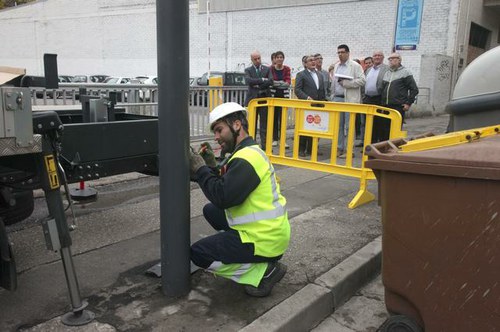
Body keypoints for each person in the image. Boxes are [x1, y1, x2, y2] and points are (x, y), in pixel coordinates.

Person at [189, 102, 290, 297]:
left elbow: (222, 196)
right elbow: (227, 183)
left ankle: (264, 271)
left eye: (219, 130)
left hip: (265, 240)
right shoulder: (246, 152)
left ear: (236, 125)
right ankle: (244, 254)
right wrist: (210, 165)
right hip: (268, 232)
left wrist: (201, 169)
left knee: (199, 253)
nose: (216, 137)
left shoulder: (247, 159)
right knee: (210, 210)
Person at [331, 44, 365, 158]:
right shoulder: (336, 66)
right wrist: (332, 95)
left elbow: (362, 81)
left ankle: (349, 150)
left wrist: (347, 84)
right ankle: (339, 147)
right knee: (338, 125)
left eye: (342, 52)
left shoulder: (355, 66)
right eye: (338, 52)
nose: (340, 54)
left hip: (349, 99)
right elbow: (334, 82)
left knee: (349, 126)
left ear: (348, 53)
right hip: (337, 98)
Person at [294, 54, 327, 157]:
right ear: (305, 63)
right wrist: (306, 98)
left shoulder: (320, 75)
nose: (313, 62)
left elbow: (321, 90)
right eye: (310, 60)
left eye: (314, 60)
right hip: (307, 105)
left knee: (315, 128)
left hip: (318, 105)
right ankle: (301, 149)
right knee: (305, 128)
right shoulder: (301, 75)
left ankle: (311, 149)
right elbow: (297, 90)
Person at [244, 50, 273, 150]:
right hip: (252, 100)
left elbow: (270, 81)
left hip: (264, 99)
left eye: (259, 58)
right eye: (255, 59)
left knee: (264, 124)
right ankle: (252, 146)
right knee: (252, 124)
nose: (258, 60)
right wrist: (262, 80)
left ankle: (265, 146)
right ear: (251, 60)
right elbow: (248, 81)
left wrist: (257, 84)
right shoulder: (248, 70)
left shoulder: (267, 69)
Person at [381, 53, 419, 125]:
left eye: (393, 58)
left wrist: (408, 103)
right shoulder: (387, 73)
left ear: (399, 60)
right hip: (386, 106)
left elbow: (414, 89)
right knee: (385, 129)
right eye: (389, 59)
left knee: (396, 128)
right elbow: (383, 89)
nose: (391, 60)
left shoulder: (406, 72)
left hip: (398, 106)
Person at [364, 50, 390, 143]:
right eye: (375, 55)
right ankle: (370, 143)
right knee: (368, 124)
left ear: (383, 57)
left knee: (380, 123)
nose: (377, 57)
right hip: (368, 99)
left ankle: (380, 145)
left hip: (379, 99)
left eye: (379, 55)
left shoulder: (387, 69)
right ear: (373, 57)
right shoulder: (368, 69)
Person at [270, 51, 291, 148]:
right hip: (274, 97)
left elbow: (287, 83)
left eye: (281, 57)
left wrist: (278, 83)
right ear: (275, 59)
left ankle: (283, 139)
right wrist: (280, 83)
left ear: (283, 58)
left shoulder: (287, 69)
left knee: (283, 119)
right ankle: (274, 139)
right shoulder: (271, 69)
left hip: (284, 96)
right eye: (277, 57)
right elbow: (271, 82)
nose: (279, 59)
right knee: (274, 118)